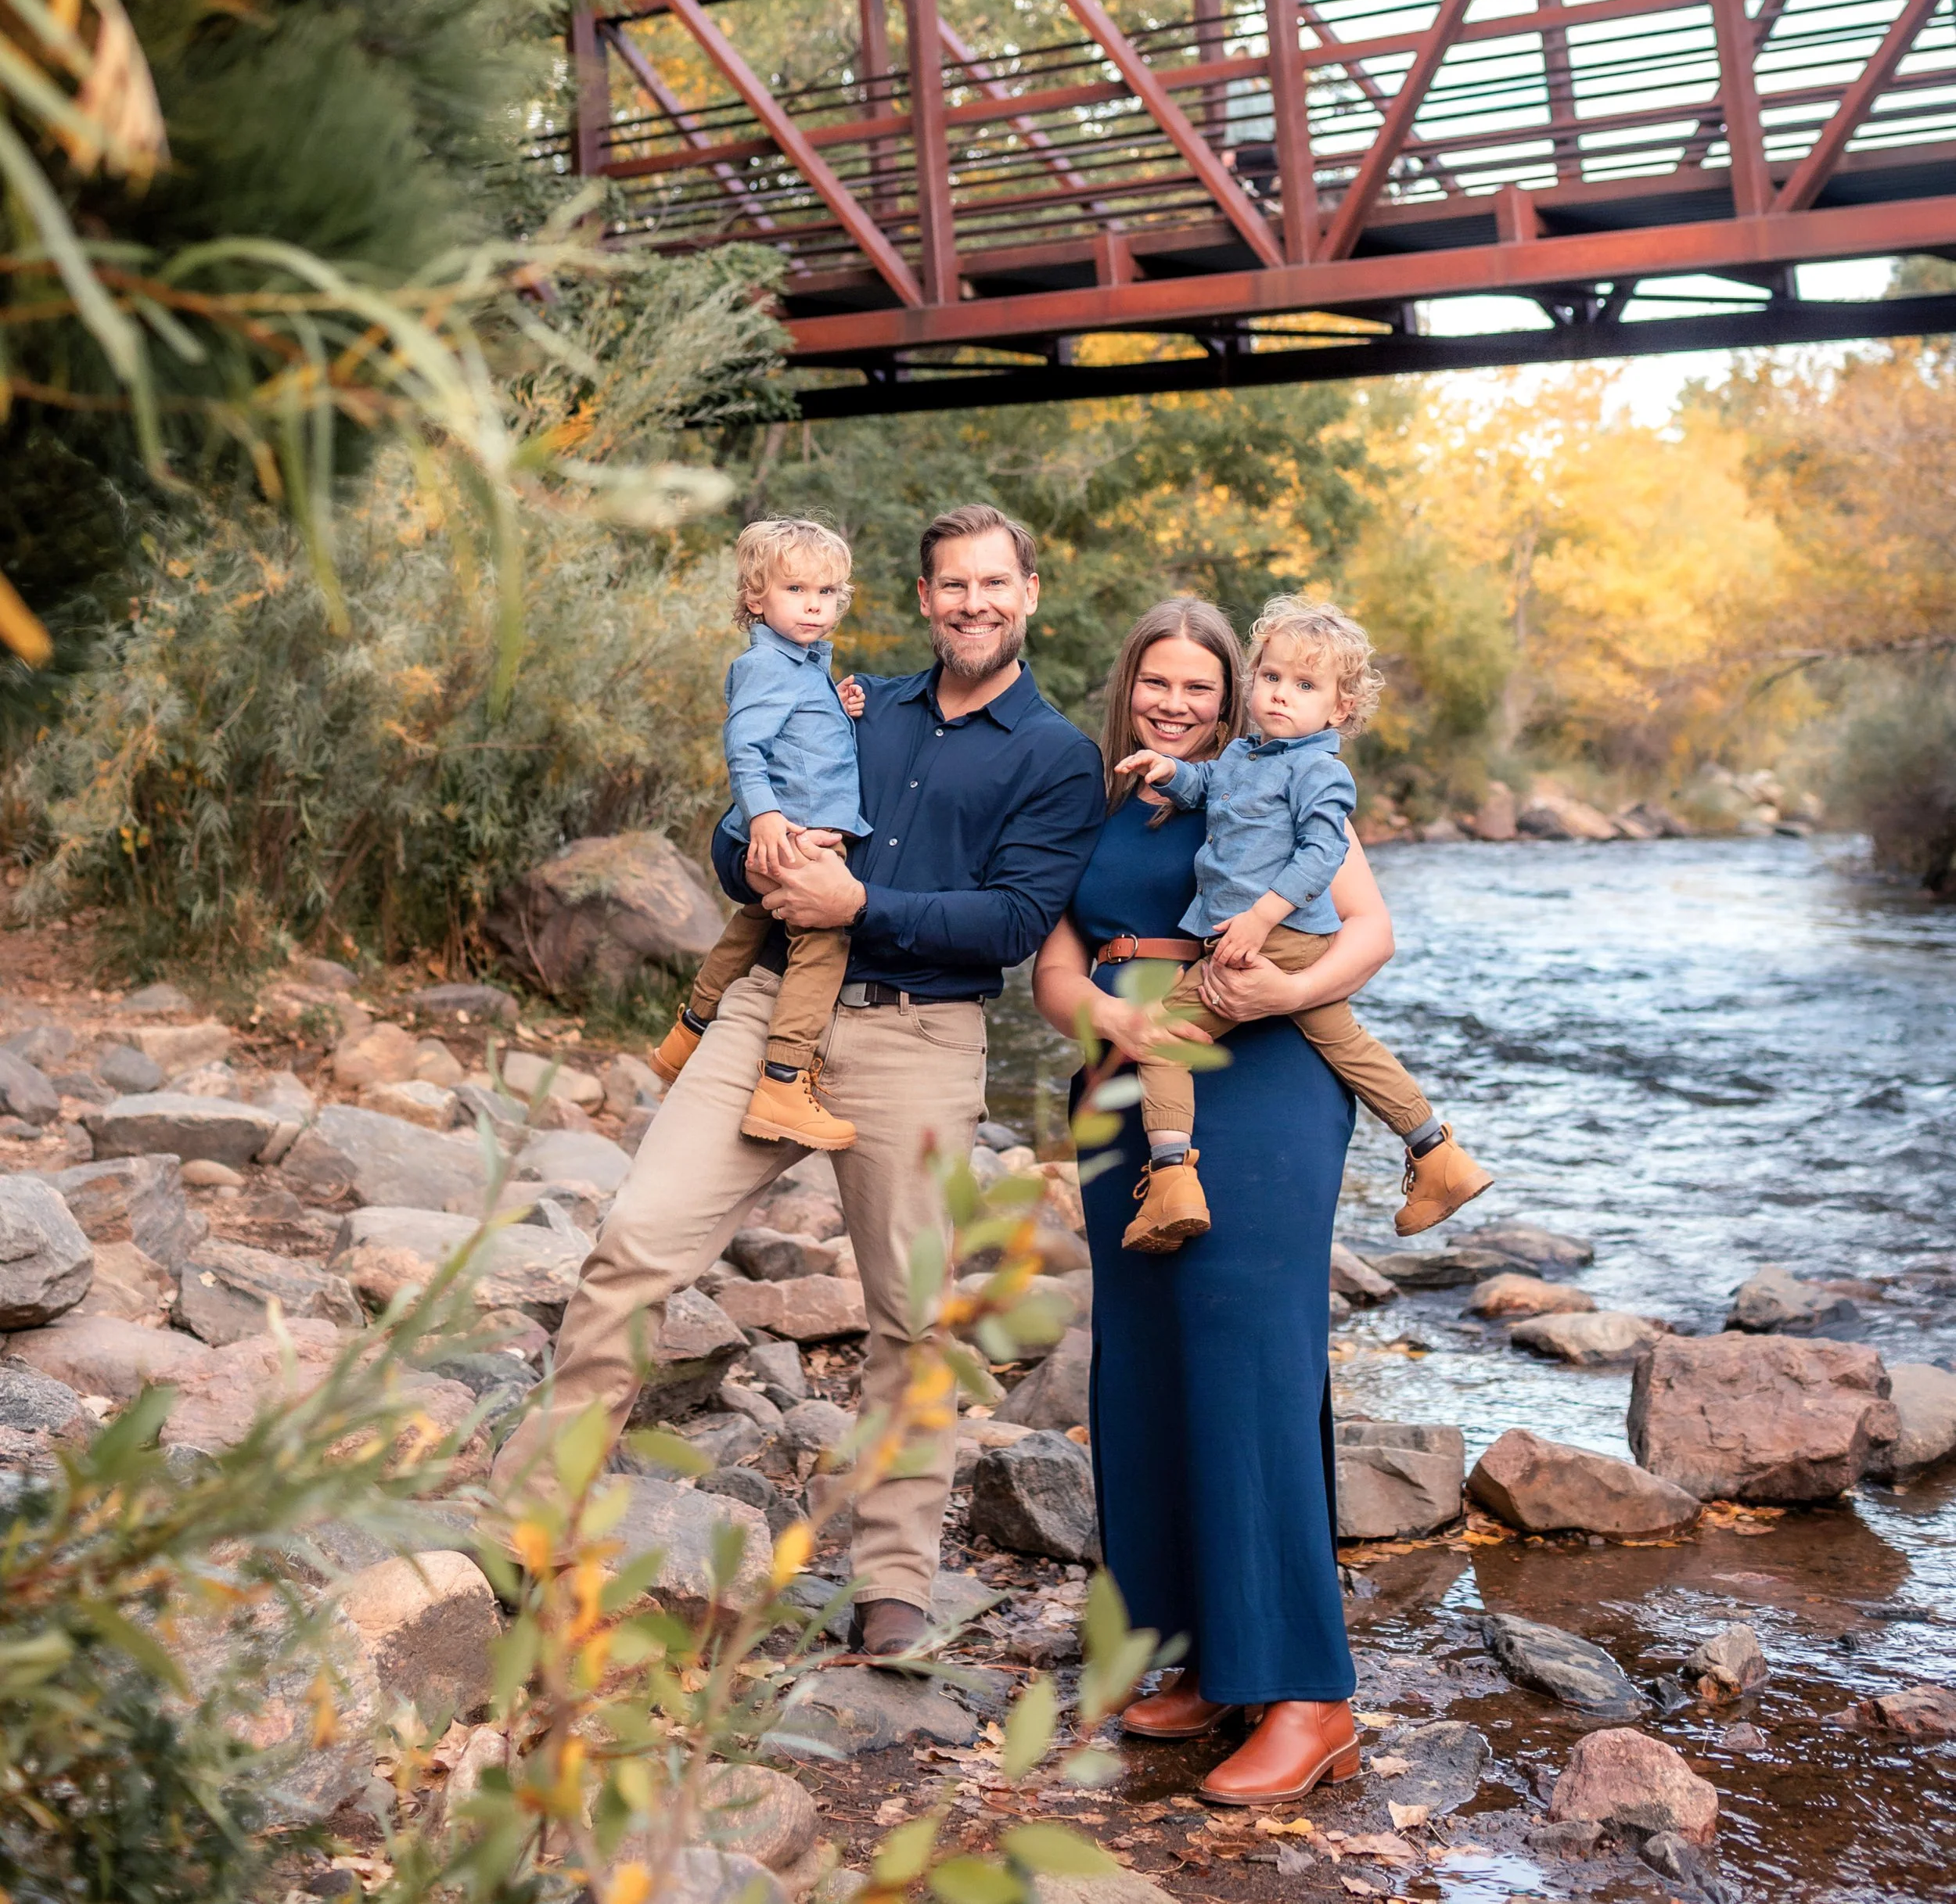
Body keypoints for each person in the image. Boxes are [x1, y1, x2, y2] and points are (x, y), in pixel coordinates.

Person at [495, 503, 1105, 1664]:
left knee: (910, 1316)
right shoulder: (849, 699)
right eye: (952, 584)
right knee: (635, 1242)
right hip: (771, 1009)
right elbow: (737, 832)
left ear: (1029, 592)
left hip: (921, 1039)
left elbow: (1018, 920)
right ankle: (531, 1520)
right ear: (924, 599)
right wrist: (754, 846)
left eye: (994, 582)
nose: (972, 602)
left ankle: (892, 1583)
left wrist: (862, 902)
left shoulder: (1056, 755)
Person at [1032, 597, 1394, 1806]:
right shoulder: (1090, 796)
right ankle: (1203, 1654)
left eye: (1202, 686)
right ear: (1127, 685)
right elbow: (1053, 964)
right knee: (1148, 1366)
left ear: (1236, 691)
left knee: (1250, 1359)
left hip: (1264, 1076)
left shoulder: (1277, 773)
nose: (1177, 704)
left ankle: (1308, 1694)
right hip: (1124, 1084)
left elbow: (1371, 931)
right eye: (1158, 683)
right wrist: (1114, 1019)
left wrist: (1283, 995)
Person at [1112, 595, 1490, 1254]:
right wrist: (1170, 772)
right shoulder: (1244, 755)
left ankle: (1172, 1180)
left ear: (1341, 708)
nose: (1282, 693)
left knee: (1164, 1037)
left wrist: (1260, 919)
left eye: (1306, 684)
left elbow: (1323, 853)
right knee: (1348, 1044)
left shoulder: (1319, 770)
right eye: (1272, 676)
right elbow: (1206, 786)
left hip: (1272, 938)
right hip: (1280, 940)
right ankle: (1436, 1154)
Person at [648, 517, 870, 1155]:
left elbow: (800, 735)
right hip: (794, 835)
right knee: (824, 940)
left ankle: (686, 1037)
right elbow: (744, 747)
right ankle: (782, 1082)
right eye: (796, 589)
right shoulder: (767, 665)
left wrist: (836, 707)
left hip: (796, 831)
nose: (814, 604)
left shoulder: (803, 666)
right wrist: (765, 817)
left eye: (826, 592)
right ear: (755, 596)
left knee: (753, 922)